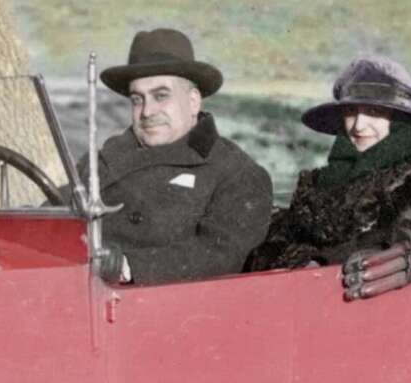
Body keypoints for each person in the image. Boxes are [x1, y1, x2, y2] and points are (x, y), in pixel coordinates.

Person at [245, 56, 411, 272]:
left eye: (374, 112)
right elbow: (279, 240)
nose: (359, 127)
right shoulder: (319, 183)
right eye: (351, 112)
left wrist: (315, 261)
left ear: (400, 120)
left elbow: (383, 249)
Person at [87, 28, 273, 285]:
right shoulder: (104, 159)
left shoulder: (236, 173)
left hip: (160, 308)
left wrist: (128, 265)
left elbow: (220, 255)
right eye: (137, 100)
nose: (147, 111)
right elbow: (58, 207)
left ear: (194, 100)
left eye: (161, 96)